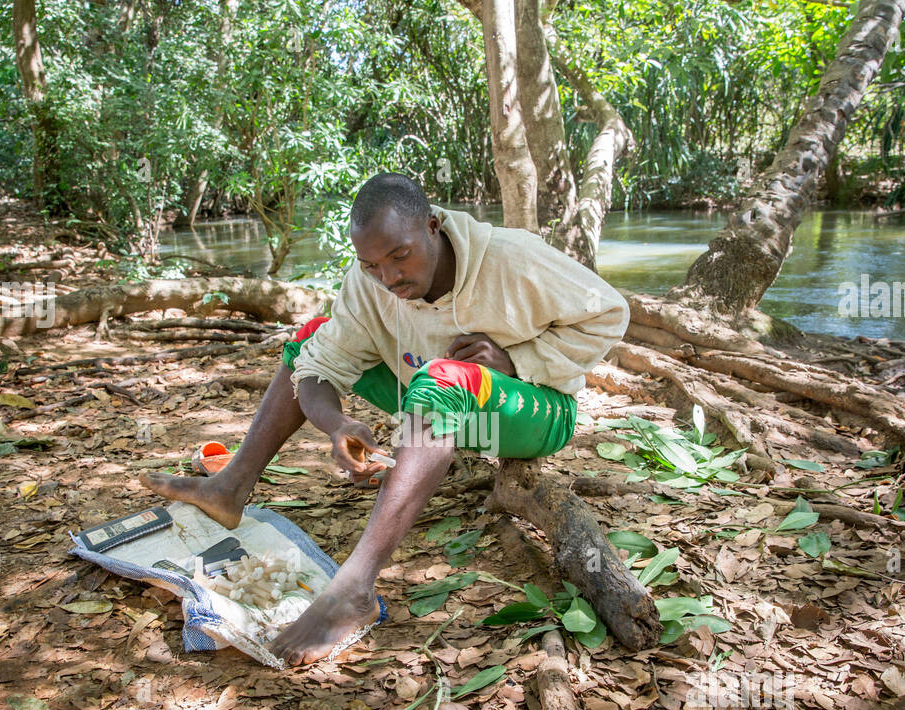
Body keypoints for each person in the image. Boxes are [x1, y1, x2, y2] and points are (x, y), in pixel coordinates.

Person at [141, 172, 629, 665]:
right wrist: (336, 425)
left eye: (400, 255)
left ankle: (354, 588)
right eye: (372, 265)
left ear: (433, 226)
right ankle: (230, 488)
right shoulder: (370, 284)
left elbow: (610, 311)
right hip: (437, 400)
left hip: (533, 415)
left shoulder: (510, 257)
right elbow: (317, 363)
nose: (390, 277)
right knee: (313, 333)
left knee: (444, 379)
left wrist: (519, 361)